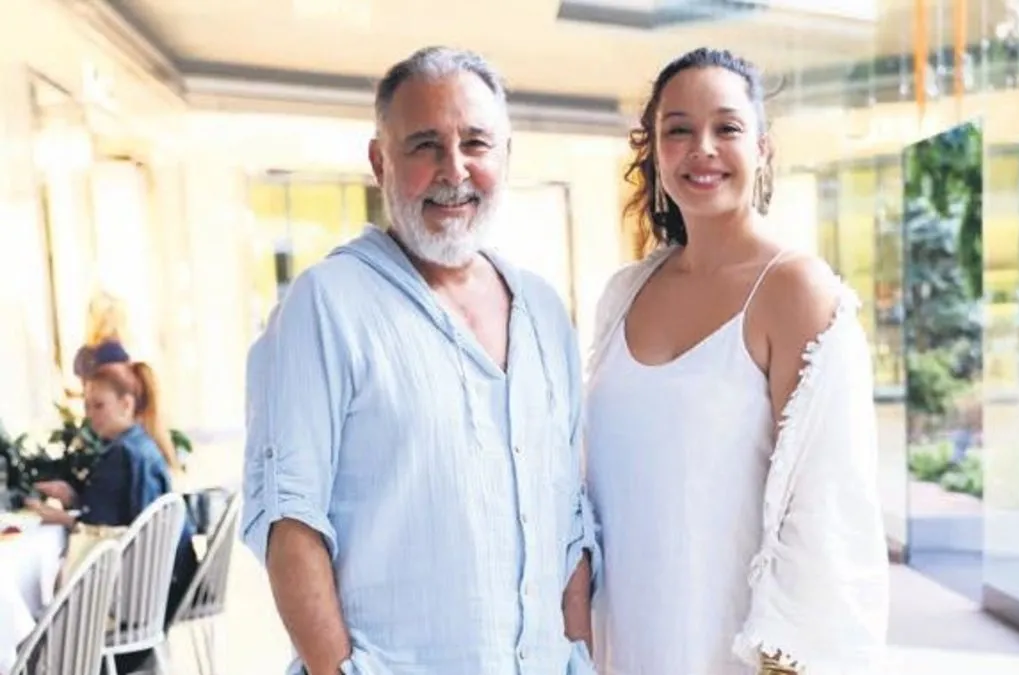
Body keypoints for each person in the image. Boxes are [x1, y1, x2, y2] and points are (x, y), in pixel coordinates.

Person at [240, 46, 599, 675]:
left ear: (506, 155)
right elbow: (287, 520)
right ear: (380, 161)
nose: (453, 170)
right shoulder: (326, 304)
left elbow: (570, 520)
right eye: (425, 145)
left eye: (475, 143)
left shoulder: (545, 313)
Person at [584, 48, 889, 675]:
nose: (702, 148)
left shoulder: (795, 290)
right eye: (678, 130)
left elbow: (830, 511)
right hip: (628, 644)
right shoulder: (624, 294)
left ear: (763, 149)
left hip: (736, 653)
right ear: (654, 152)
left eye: (726, 127)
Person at [26, 361, 199, 673]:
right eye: (87, 406)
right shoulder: (142, 445)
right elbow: (126, 519)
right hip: (165, 589)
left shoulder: (122, 454)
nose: (90, 415)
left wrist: (58, 517)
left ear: (126, 403)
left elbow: (101, 532)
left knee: (32, 628)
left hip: (133, 604)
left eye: (99, 405)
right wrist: (73, 498)